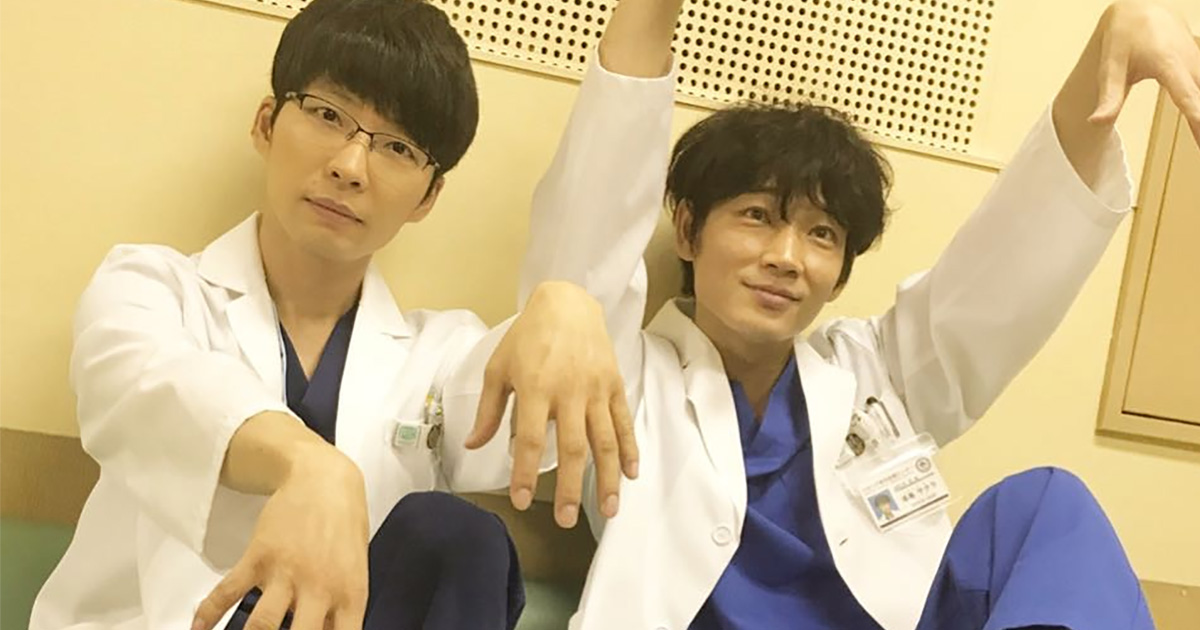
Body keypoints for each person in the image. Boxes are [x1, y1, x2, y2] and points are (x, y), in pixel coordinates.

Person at [519, 0, 1200, 628]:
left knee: (1048, 503)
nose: (787, 257)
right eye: (757, 217)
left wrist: (1107, 51)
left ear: (841, 272)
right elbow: (589, 234)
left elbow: (1008, 269)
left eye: (821, 234)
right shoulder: (620, 381)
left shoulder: (876, 373)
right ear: (690, 232)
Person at [28, 1, 642, 629]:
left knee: (459, 537)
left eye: (397, 147)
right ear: (266, 124)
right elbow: (145, 386)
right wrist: (305, 463)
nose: (350, 167)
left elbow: (535, 397)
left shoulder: (436, 357)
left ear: (428, 196)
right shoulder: (149, 289)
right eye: (327, 114)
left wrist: (568, 303)